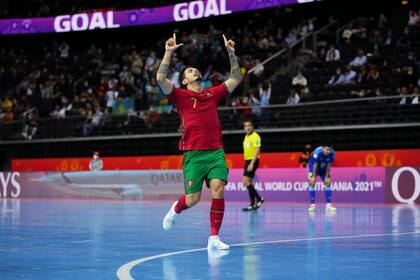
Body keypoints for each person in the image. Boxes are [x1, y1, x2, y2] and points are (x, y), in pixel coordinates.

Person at [157, 33, 242, 250]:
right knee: (193, 199)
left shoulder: (212, 94)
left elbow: (236, 78)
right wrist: (168, 52)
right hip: (194, 153)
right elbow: (160, 78)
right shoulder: (178, 96)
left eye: (195, 69)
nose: (194, 70)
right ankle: (175, 209)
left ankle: (214, 237)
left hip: (215, 151)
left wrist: (232, 54)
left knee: (218, 189)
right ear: (185, 80)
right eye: (189, 71)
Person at [242, 120, 265, 211]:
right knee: (249, 183)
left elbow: (257, 150)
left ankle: (259, 198)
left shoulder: (255, 136)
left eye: (249, 125)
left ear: (252, 126)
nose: (247, 127)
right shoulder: (246, 136)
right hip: (247, 160)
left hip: (253, 160)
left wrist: (252, 163)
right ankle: (252, 204)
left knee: (245, 182)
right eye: (245, 126)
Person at [307, 145, 336, 212]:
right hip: (313, 167)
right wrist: (313, 176)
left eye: (330, 149)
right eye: (327, 149)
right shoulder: (318, 151)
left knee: (328, 183)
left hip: (323, 168)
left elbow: (329, 165)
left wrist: (327, 176)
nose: (328, 151)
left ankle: (328, 205)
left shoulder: (332, 153)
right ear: (323, 148)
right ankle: (312, 205)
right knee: (312, 183)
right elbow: (315, 165)